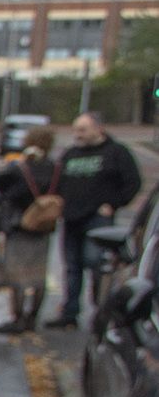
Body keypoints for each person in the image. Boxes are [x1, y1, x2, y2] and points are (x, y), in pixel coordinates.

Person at [47, 112, 147, 326]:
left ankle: (99, 311)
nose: (77, 135)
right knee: (72, 267)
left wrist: (113, 204)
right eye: (75, 130)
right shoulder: (71, 153)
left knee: (97, 264)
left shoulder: (116, 153)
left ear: (98, 129)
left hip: (97, 220)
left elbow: (132, 182)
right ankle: (69, 312)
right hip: (71, 218)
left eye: (82, 130)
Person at [0, 122, 60, 334]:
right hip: (44, 224)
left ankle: (18, 317)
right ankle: (33, 317)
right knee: (39, 273)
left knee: (16, 274)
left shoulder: (21, 167)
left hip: (20, 223)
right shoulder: (56, 167)